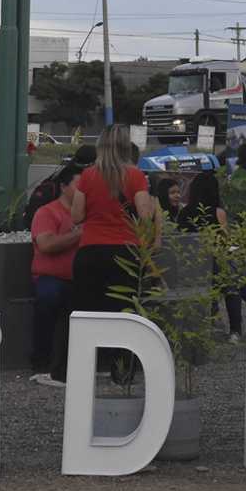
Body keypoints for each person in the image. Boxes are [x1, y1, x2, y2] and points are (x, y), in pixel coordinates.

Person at [69, 127, 159, 374]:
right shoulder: (135, 175)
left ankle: (89, 367)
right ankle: (123, 367)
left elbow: (76, 215)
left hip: (90, 251)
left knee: (89, 312)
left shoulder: (87, 175)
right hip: (125, 252)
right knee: (125, 313)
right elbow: (144, 215)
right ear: (125, 147)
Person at [179, 166, 246, 341]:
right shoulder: (219, 213)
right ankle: (236, 329)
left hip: (190, 268)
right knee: (233, 277)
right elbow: (225, 244)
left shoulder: (183, 213)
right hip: (213, 268)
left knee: (233, 268)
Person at [30, 163, 84, 383]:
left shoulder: (87, 214)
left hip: (80, 278)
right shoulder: (47, 212)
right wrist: (78, 234)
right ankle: (41, 358)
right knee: (50, 297)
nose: (84, 192)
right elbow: (46, 245)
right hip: (50, 278)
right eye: (79, 187)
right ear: (63, 186)